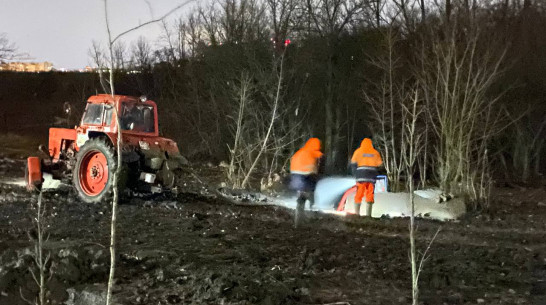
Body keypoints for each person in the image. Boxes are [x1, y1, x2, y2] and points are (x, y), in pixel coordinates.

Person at [289, 138, 324, 227]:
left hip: (296, 178)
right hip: (306, 177)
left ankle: (298, 222)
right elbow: (314, 169)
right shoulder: (311, 153)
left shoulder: (300, 152)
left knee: (300, 201)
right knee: (310, 198)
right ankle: (313, 217)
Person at [350, 138, 383, 217]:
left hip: (361, 177)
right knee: (370, 195)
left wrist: (355, 174)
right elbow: (380, 165)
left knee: (359, 194)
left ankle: (357, 214)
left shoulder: (358, 152)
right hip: (371, 177)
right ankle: (368, 215)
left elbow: (353, 163)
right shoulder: (375, 152)